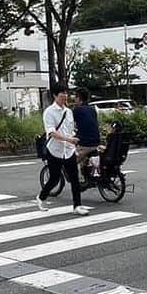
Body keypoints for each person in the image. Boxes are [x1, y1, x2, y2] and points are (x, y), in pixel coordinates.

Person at [37, 84, 85, 212]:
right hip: (55, 151)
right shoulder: (49, 112)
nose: (65, 96)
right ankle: (41, 197)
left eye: (66, 93)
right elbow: (51, 133)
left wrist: (74, 138)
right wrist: (68, 139)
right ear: (55, 96)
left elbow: (70, 130)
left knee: (75, 178)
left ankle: (77, 206)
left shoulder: (69, 112)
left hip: (68, 150)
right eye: (62, 94)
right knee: (54, 178)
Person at [73, 87, 102, 181]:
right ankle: (87, 175)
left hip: (85, 144)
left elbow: (69, 123)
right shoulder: (92, 109)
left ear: (79, 98)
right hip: (96, 142)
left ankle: (77, 181)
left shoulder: (77, 110)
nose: (74, 99)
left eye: (75, 97)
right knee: (84, 155)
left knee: (70, 162)